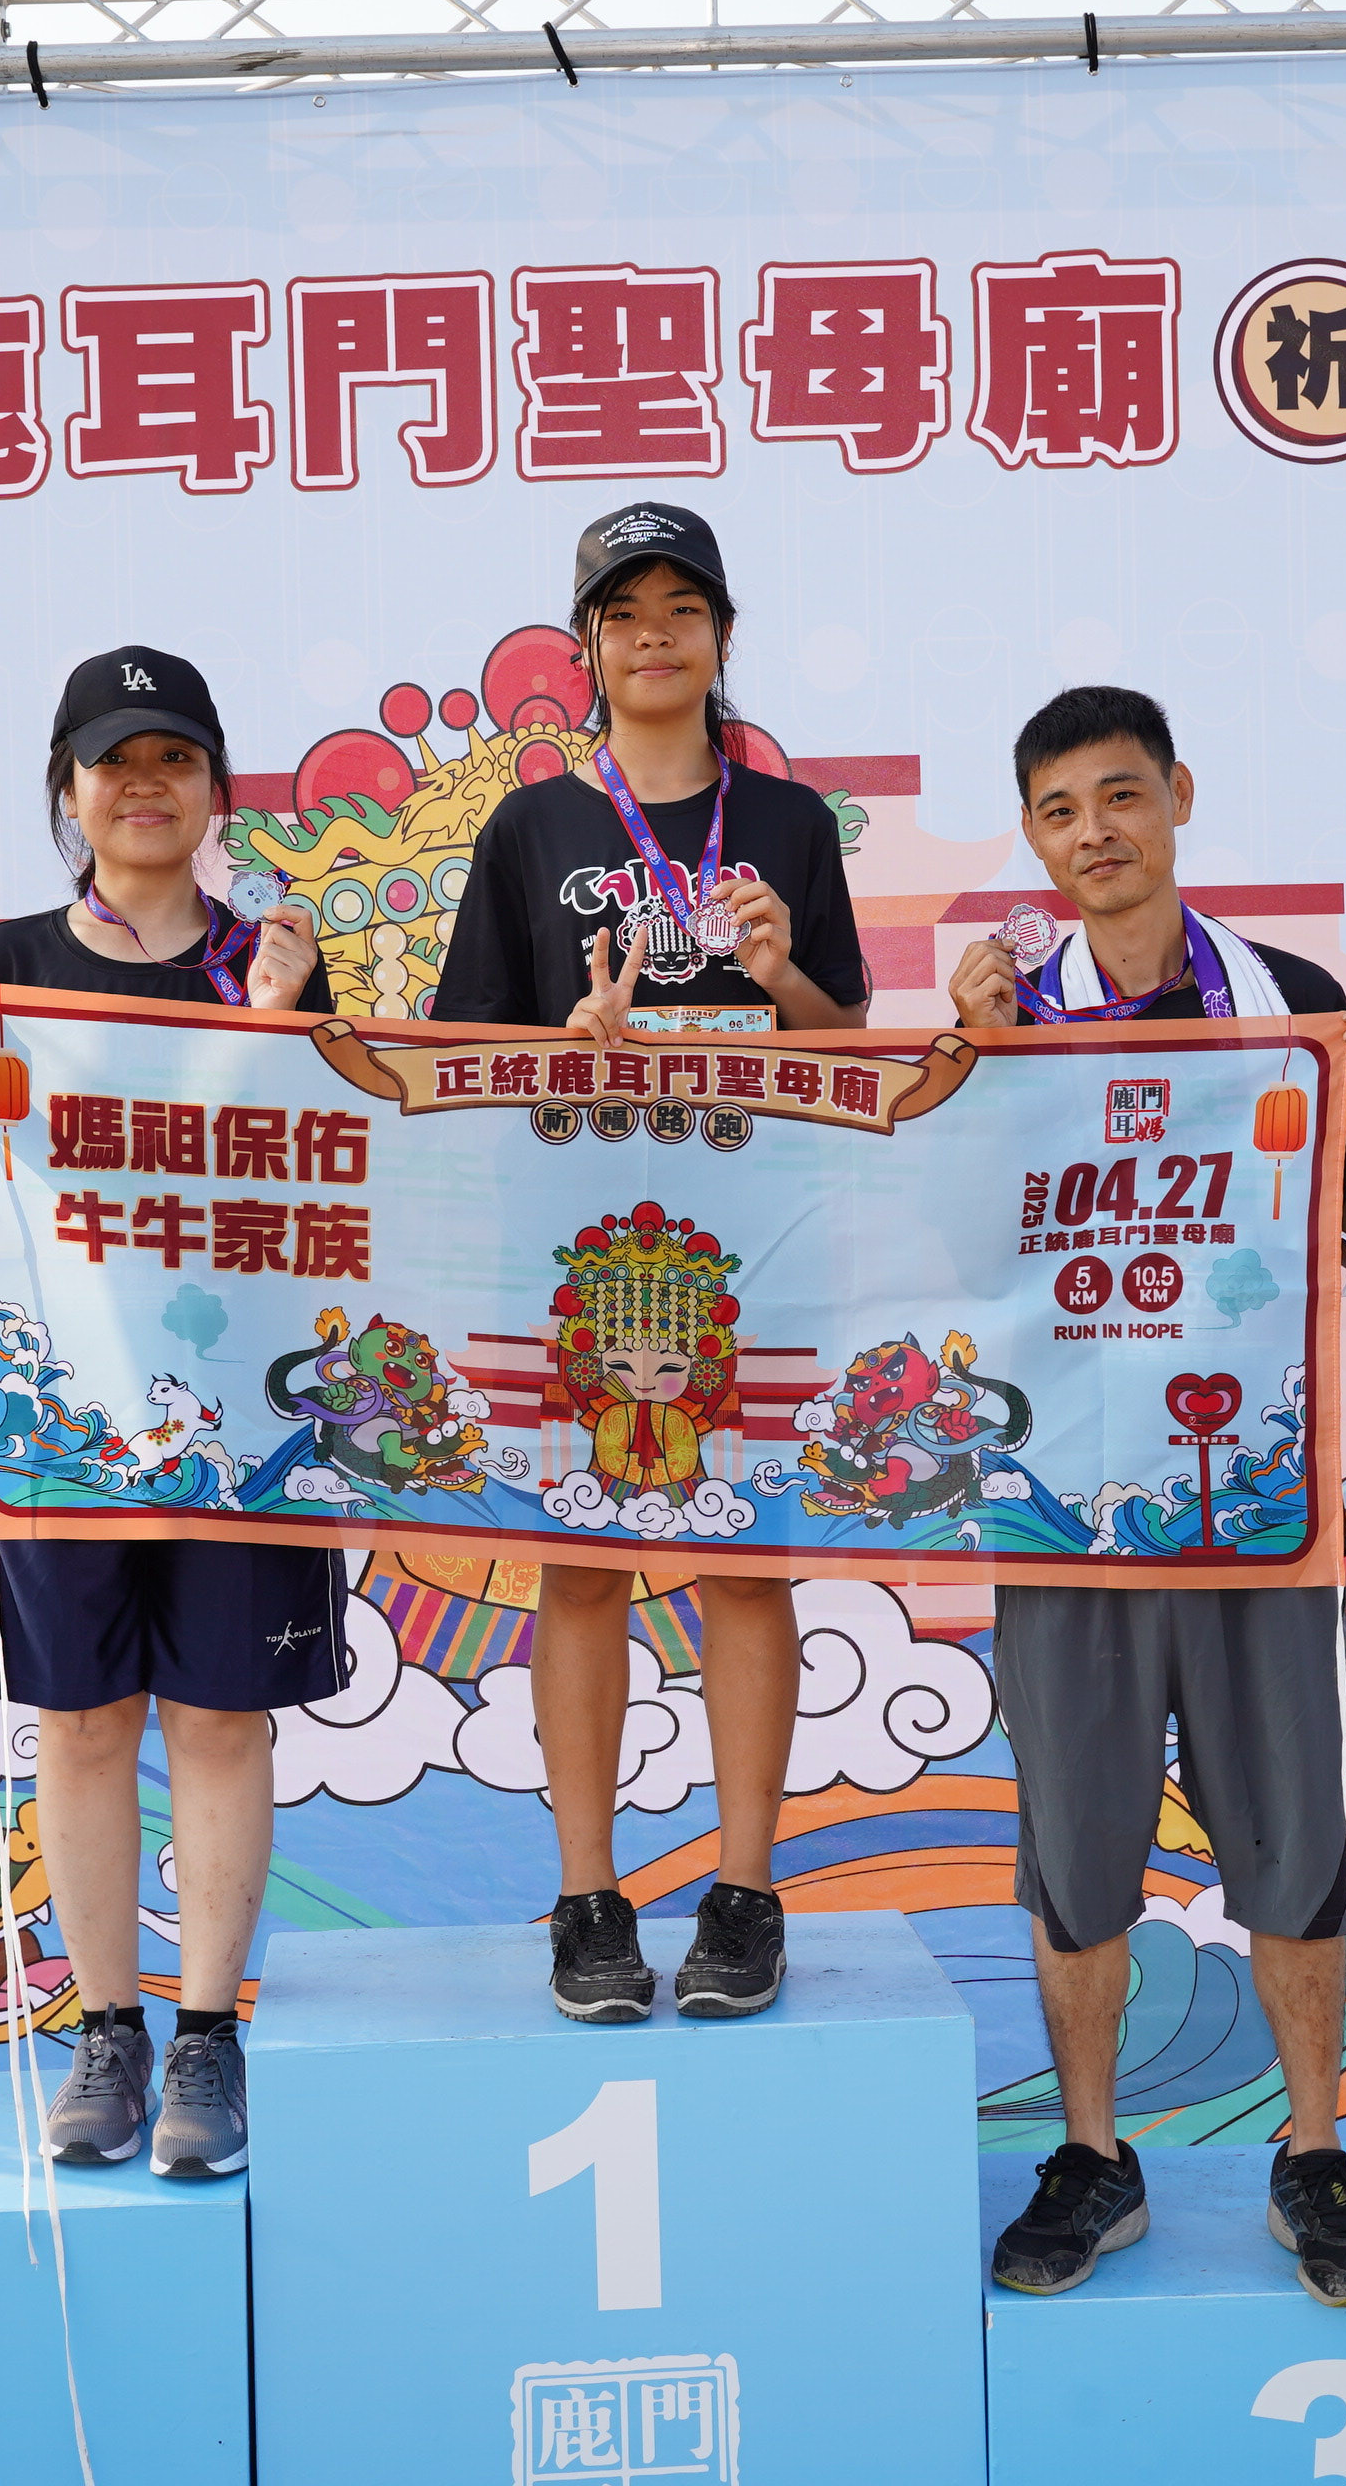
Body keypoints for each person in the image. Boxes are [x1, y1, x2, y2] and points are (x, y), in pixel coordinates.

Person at [947, 685, 1346, 2307]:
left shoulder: (1293, 1005)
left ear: (1178, 798)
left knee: (1293, 1844)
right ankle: (1095, 2156)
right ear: (1033, 839)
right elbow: (955, 1247)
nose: (1094, 832)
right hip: (1065, 1506)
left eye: (1120, 796)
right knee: (1077, 1850)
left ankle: (1316, 2152)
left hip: (1256, 1506)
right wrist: (968, 1063)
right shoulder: (1010, 1017)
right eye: (1060, 811)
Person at [0, 643, 339, 2179]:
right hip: (66, 1419)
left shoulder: (275, 959)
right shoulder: (10, 964)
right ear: (68, 790)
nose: (144, 786)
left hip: (240, 1426)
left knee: (219, 1719)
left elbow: (326, 1176)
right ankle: (108, 2029)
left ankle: (208, 2033)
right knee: (82, 1723)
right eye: (114, 762)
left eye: (174, 759)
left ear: (216, 789)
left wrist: (282, 1023)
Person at [429, 502, 869, 2022]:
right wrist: (571, 1042)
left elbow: (847, 1050)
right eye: (625, 613)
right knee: (581, 1564)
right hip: (580, 1246)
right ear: (588, 649)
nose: (656, 635)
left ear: (724, 636)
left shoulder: (792, 826)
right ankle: (587, 1898)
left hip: (760, 1236)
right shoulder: (535, 828)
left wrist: (779, 975)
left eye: (685, 609)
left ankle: (746, 1893)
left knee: (747, 1564)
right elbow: (463, 1060)